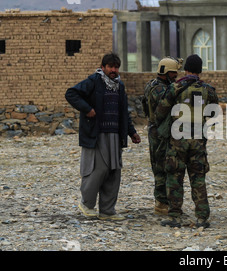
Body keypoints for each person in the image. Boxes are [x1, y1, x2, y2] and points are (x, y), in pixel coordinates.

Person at [65, 52, 141, 220]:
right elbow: (71, 93)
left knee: (114, 171)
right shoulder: (94, 81)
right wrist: (87, 109)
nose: (113, 70)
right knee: (98, 169)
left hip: (115, 135)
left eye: (116, 67)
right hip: (97, 135)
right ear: (103, 67)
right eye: (110, 67)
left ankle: (107, 211)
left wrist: (132, 132)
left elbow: (123, 113)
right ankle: (87, 204)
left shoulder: (119, 86)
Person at [155, 54, 218, 228]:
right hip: (198, 140)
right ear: (200, 70)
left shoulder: (176, 87)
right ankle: (202, 217)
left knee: (175, 177)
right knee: (198, 177)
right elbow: (213, 114)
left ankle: (175, 216)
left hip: (178, 140)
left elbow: (160, 111)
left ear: (186, 69)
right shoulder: (208, 90)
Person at [142, 57, 183, 215]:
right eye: (174, 73)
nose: (176, 76)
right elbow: (166, 107)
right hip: (159, 132)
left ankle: (166, 202)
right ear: (166, 72)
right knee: (160, 166)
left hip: (159, 130)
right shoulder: (159, 89)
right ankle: (160, 203)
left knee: (167, 166)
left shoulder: (155, 85)